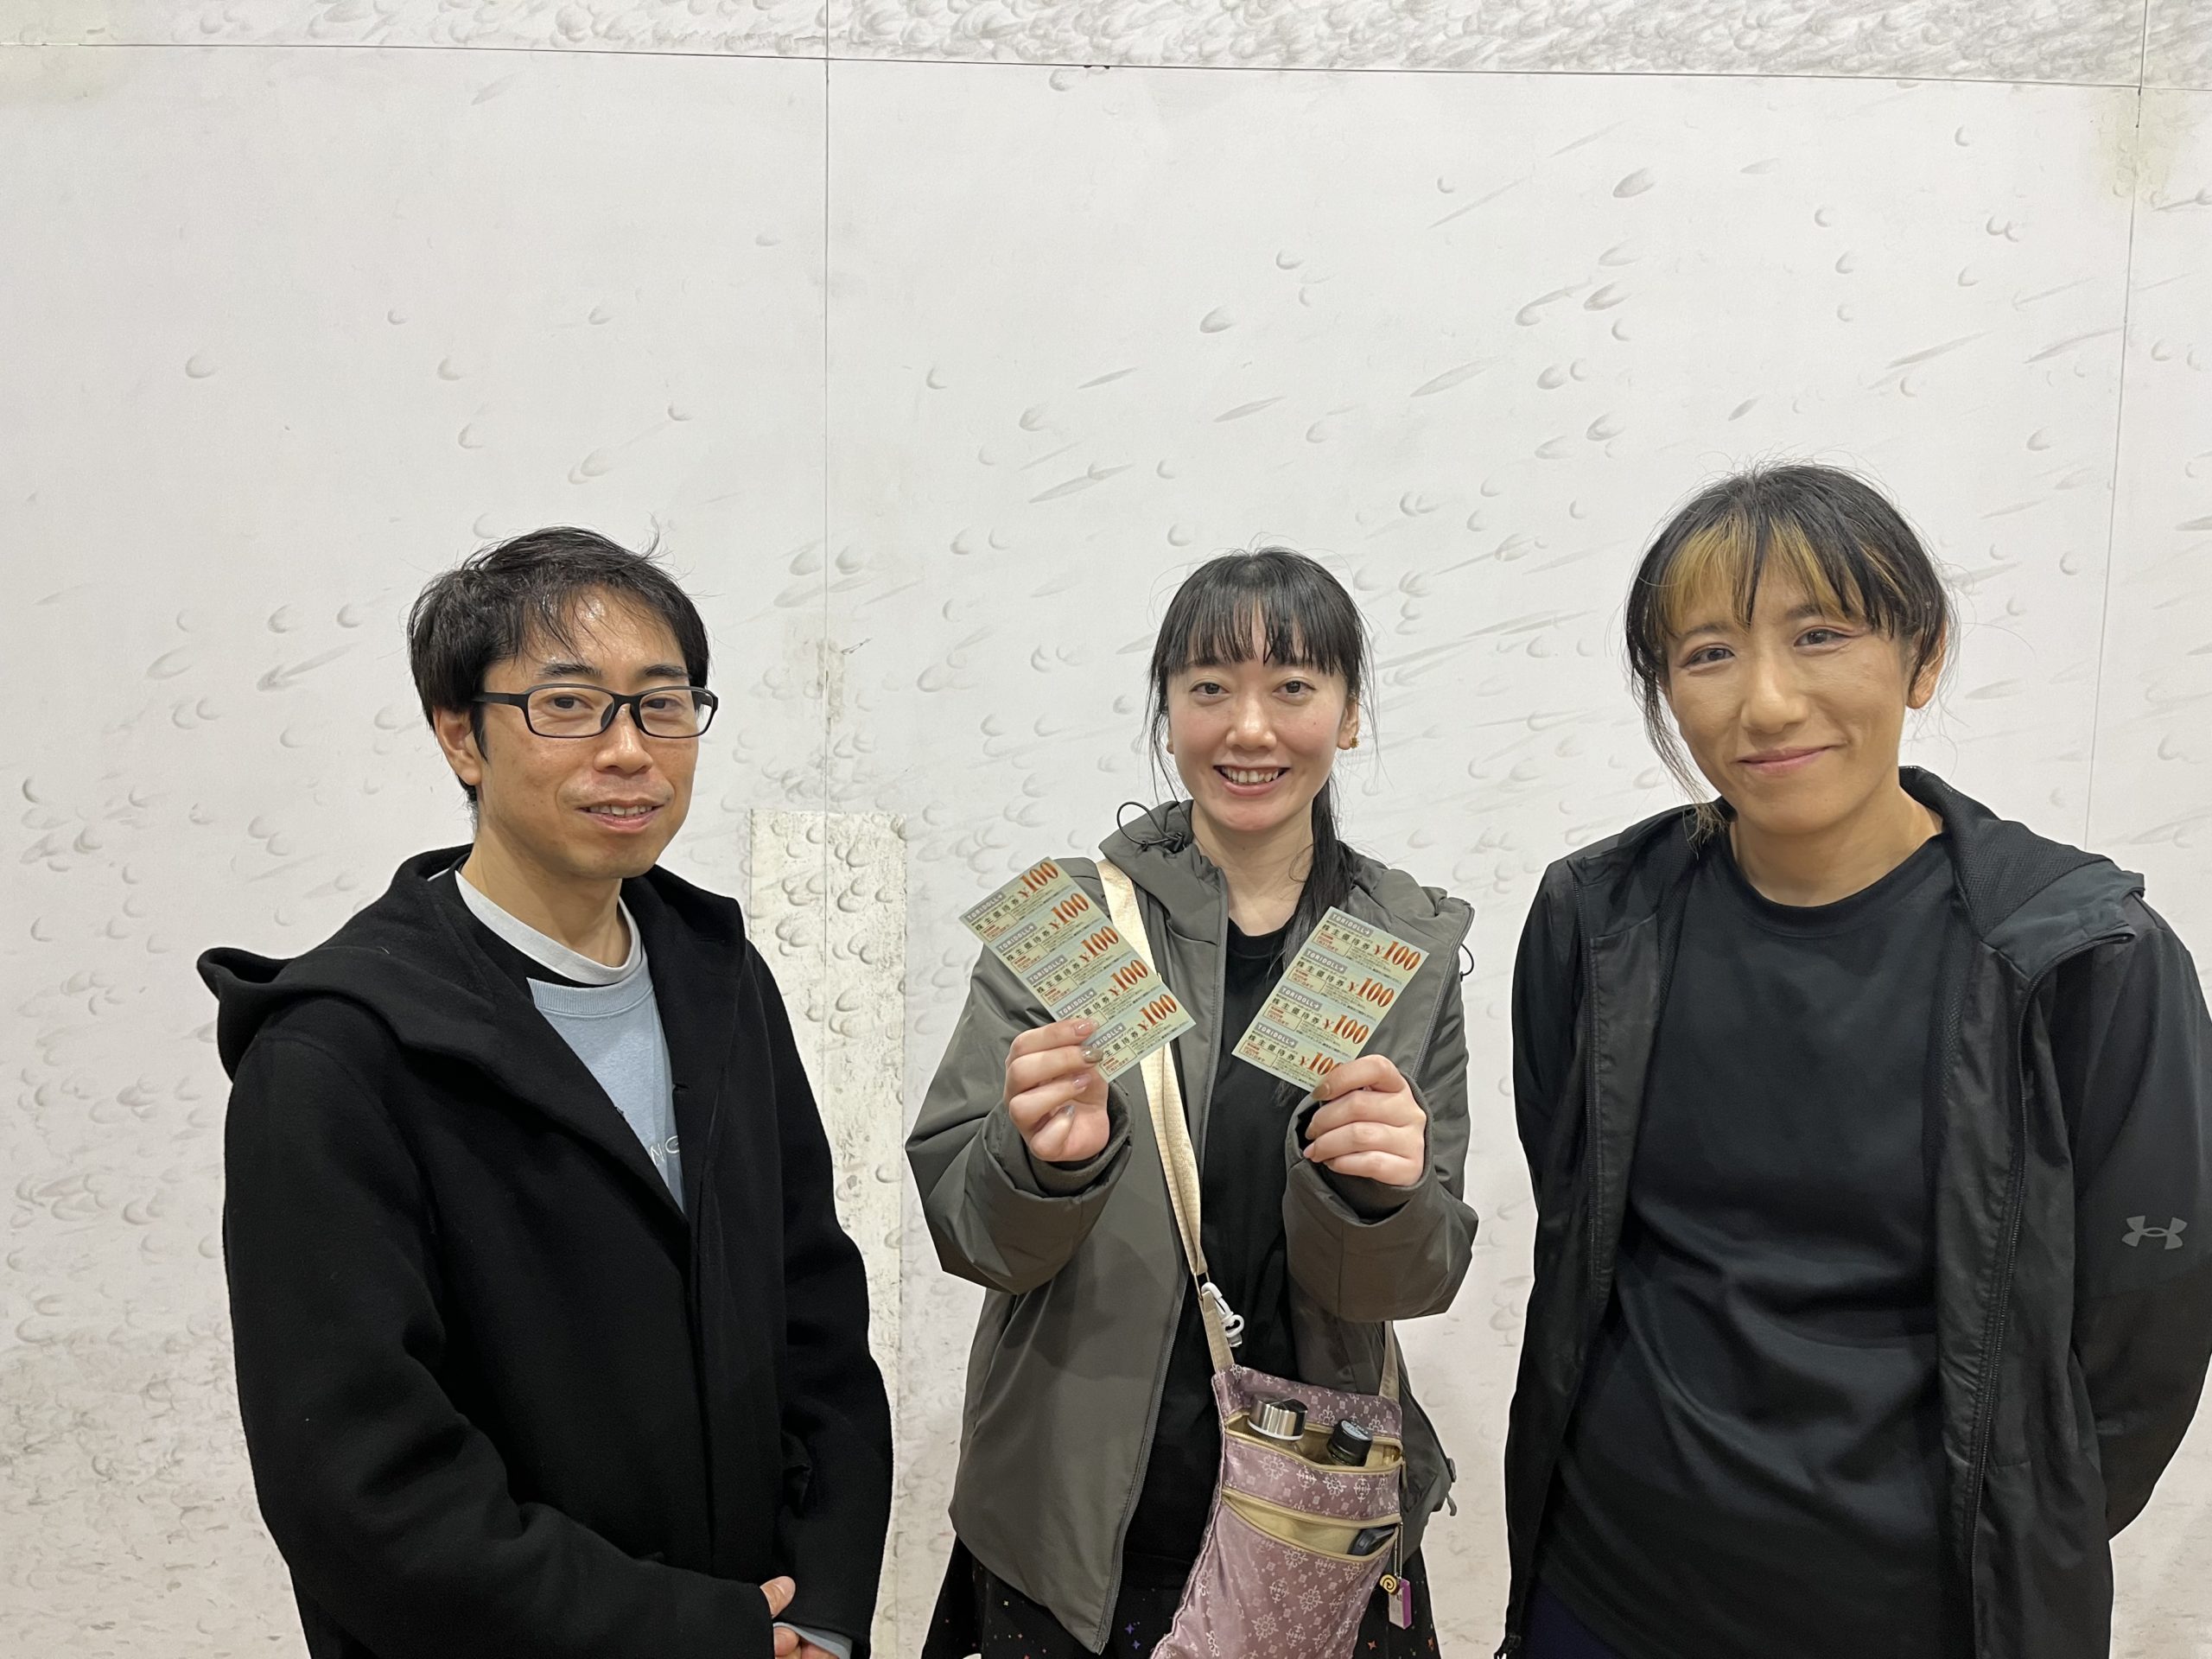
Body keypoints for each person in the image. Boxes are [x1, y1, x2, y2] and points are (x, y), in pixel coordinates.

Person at [1499, 465, 2212, 1659]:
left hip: (1921, 1612)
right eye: (1708, 653)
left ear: (1921, 657)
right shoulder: (1599, 918)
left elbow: (2147, 1326)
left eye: (1820, 635)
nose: (1768, 702)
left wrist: (2022, 1528)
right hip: (1611, 1584)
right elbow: (1576, 1206)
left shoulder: (2083, 956)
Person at [201, 529, 893, 1659]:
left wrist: (819, 1609)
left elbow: (815, 1315)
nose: (628, 751)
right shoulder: (338, 1054)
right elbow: (362, 1490)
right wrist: (695, 1635)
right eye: (567, 705)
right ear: (458, 734)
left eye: (662, 706)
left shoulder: (719, 980)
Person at [910, 547, 1477, 1658]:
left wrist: (1384, 1199)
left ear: (1349, 715)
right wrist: (1044, 1166)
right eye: (1209, 687)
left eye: (1293, 687)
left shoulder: (1395, 945)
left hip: (1308, 1517)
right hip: (1073, 1523)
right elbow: (971, 1237)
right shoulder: (1076, 926)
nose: (1248, 729)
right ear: (1166, 713)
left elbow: (1414, 1278)